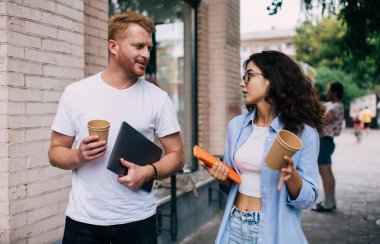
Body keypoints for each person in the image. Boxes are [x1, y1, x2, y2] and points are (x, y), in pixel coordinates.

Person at [48, 12, 184, 244]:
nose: (146, 54)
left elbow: (177, 156)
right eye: (138, 46)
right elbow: (55, 152)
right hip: (84, 223)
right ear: (114, 46)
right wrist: (78, 156)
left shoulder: (158, 98)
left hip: (139, 222)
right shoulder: (76, 93)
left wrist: (147, 172)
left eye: (149, 48)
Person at [201, 51, 323, 243]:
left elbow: (308, 199)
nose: (243, 83)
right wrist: (222, 178)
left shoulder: (302, 132)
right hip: (234, 225)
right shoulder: (236, 126)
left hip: (272, 232)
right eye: (244, 77)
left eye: (250, 76)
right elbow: (232, 184)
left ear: (273, 80)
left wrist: (293, 177)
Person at [312, 81, 344, 212]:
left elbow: (324, 121)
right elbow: (319, 105)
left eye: (329, 90)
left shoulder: (334, 107)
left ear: (335, 92)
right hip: (327, 142)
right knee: (327, 171)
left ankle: (328, 203)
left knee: (325, 172)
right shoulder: (335, 105)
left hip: (325, 141)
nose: (327, 92)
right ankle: (330, 200)